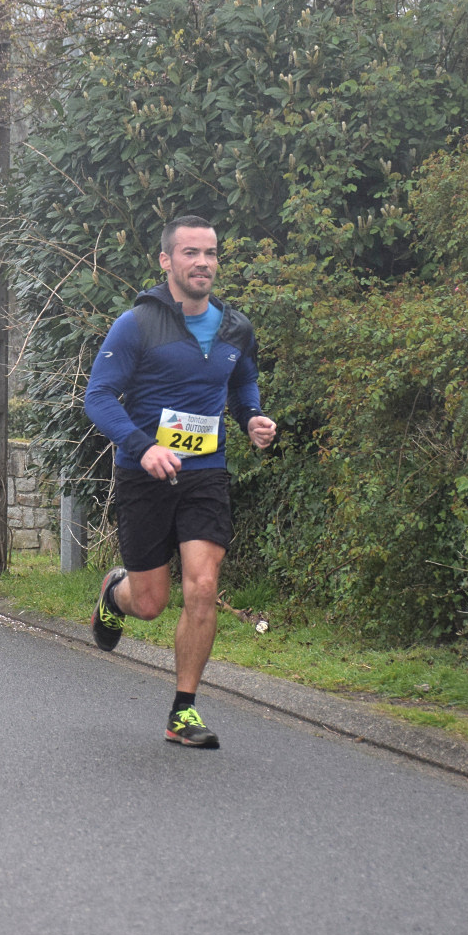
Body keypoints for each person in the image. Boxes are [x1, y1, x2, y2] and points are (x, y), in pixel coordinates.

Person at [83, 214, 276, 749]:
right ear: (166, 261)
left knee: (204, 585)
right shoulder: (137, 325)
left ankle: (183, 710)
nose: (203, 263)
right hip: (144, 475)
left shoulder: (236, 327)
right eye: (191, 253)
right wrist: (143, 447)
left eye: (210, 253)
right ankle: (114, 593)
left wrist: (252, 418)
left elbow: (243, 382)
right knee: (150, 603)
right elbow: (98, 397)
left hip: (205, 473)